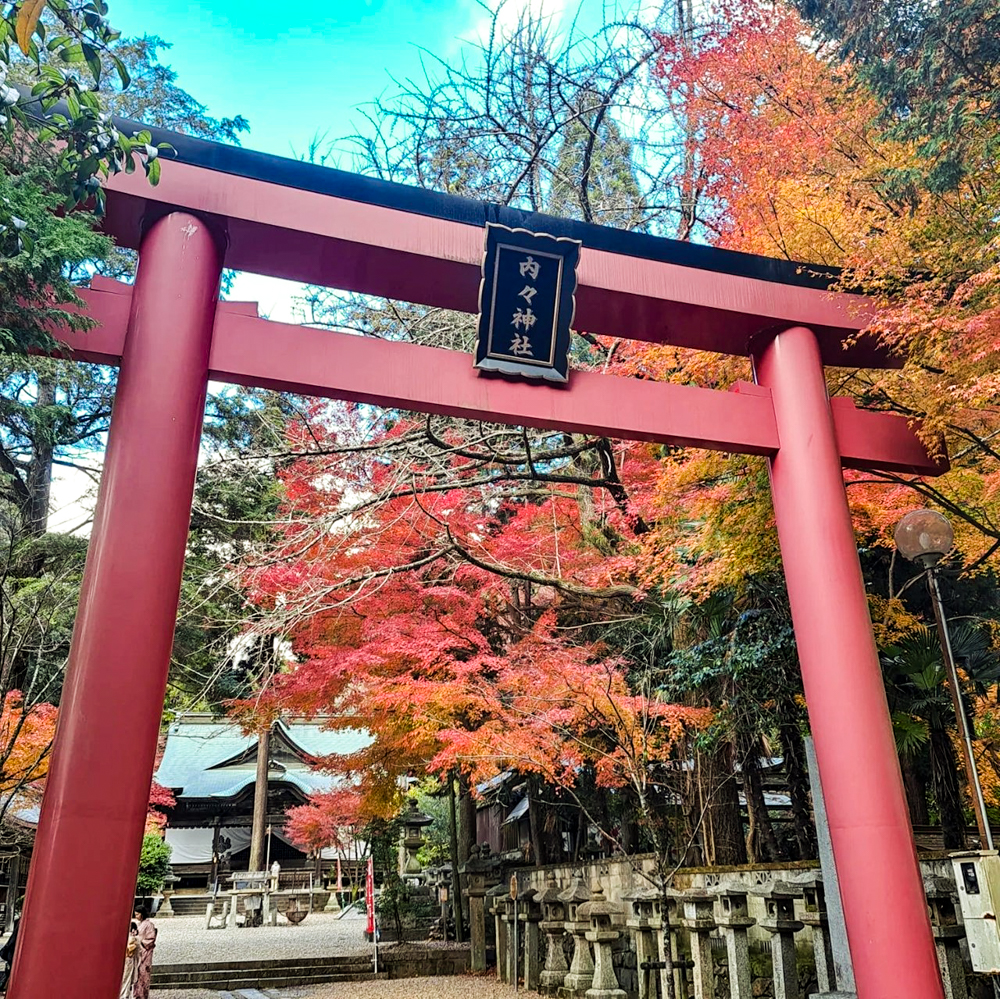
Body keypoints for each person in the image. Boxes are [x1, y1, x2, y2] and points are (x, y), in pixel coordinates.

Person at [132, 906, 156, 999]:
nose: (136, 916)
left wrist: (141, 942)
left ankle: (142, 995)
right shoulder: (139, 924)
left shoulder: (149, 925)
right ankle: (136, 994)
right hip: (139, 951)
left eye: (138, 914)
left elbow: (151, 938)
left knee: (143, 974)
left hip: (145, 951)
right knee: (137, 974)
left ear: (142, 914)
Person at [119, 921, 139, 999]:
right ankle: (124, 995)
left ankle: (123, 994)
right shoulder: (133, 939)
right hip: (129, 959)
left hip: (127, 959)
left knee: (125, 979)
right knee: (126, 979)